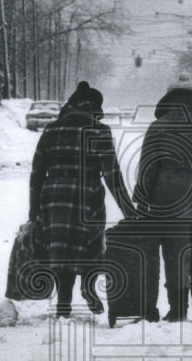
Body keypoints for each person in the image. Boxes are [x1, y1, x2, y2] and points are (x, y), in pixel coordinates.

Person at [29, 81, 136, 317]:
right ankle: (88, 287)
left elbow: (37, 173)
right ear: (95, 109)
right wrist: (130, 212)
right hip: (87, 196)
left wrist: (32, 212)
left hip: (54, 196)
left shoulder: (52, 130)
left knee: (61, 251)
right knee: (91, 245)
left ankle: (63, 306)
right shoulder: (99, 131)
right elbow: (112, 175)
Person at [133, 74, 192, 321]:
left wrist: (142, 197)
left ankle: (178, 310)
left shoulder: (159, 126)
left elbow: (147, 167)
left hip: (169, 200)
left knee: (176, 253)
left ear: (169, 99)